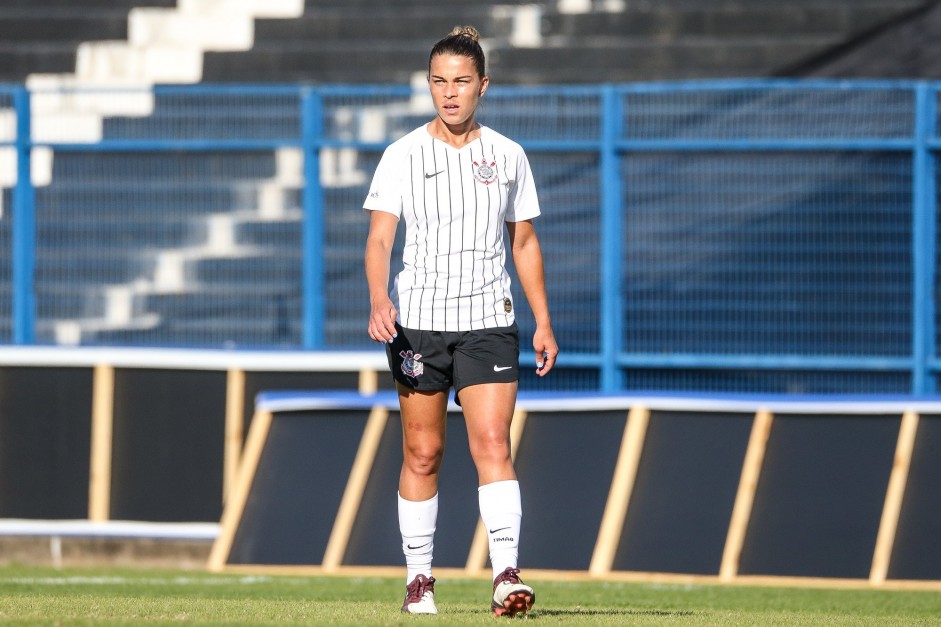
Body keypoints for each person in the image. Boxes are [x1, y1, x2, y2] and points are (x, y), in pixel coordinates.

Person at [363, 25, 558, 618]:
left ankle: (506, 574)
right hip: (418, 324)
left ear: (483, 87)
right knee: (422, 452)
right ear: (429, 85)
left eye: (461, 82)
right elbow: (378, 240)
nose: (449, 94)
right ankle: (419, 579)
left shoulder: (508, 156)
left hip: (488, 321)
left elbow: (524, 243)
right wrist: (378, 298)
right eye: (439, 82)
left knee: (492, 442)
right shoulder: (401, 155)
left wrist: (543, 321)